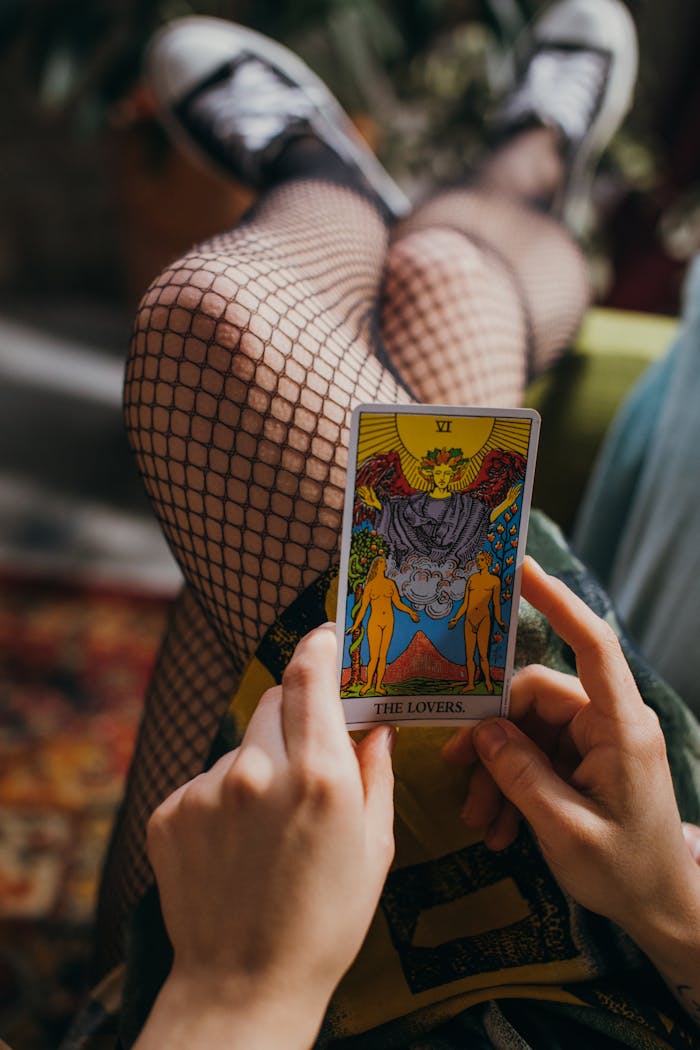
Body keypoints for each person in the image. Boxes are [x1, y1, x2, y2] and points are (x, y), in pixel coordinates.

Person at [77, 2, 700, 1047]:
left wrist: (238, 992)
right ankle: (521, 164)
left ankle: (350, 178)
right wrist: (675, 903)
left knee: (240, 320)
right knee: (426, 286)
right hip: (631, 925)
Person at [346, 554, 420, 697]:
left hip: (388, 622)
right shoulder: (370, 586)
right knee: (373, 657)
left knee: (383, 656)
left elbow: (398, 604)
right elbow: (363, 608)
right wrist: (355, 625)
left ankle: (378, 685)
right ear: (376, 567)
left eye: (385, 564)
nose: (385, 566)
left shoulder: (390, 584)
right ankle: (368, 685)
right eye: (382, 564)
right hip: (375, 621)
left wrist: (410, 612)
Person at [449, 549, 505, 693]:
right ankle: (470, 683)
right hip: (469, 619)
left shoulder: (495, 581)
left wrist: (499, 620)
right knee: (469, 655)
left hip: (484, 619)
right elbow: (465, 603)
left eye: (480, 560)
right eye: (477, 560)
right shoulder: (472, 579)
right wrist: (456, 618)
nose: (478, 563)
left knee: (483, 655)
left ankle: (487, 681)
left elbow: (496, 604)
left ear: (487, 562)